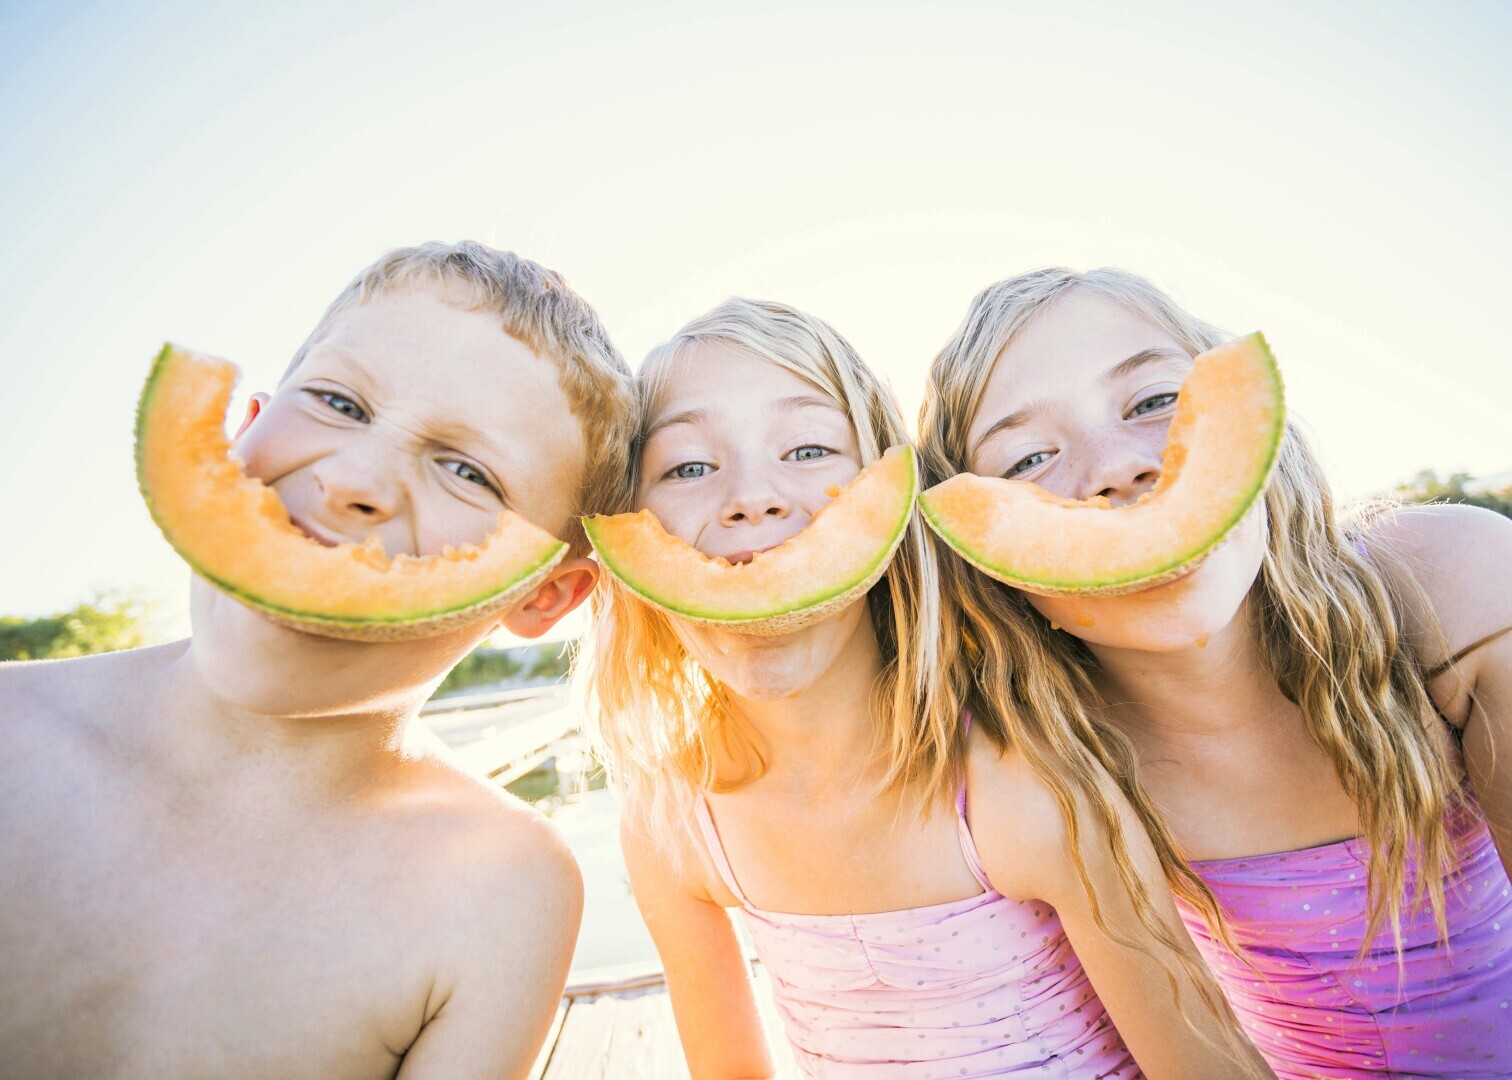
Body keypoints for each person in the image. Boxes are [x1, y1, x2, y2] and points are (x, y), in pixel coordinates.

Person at [581, 297, 1270, 1078]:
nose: (751, 497)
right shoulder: (671, 823)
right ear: (629, 527)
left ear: (889, 492)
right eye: (688, 467)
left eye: (807, 449)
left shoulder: (1020, 789)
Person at [0, 241, 637, 1079]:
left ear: (542, 596)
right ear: (249, 426)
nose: (354, 481)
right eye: (338, 401)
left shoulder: (504, 892)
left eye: (467, 471)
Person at [917, 266, 1512, 1079]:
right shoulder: (1047, 767)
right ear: (985, 560)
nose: (1119, 469)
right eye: (1027, 459)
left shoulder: (1449, 587)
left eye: (1155, 402)